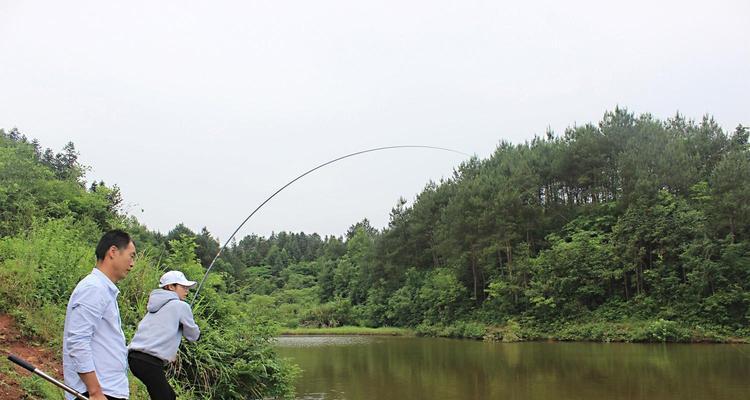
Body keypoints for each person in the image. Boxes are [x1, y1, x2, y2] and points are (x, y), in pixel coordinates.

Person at [63, 229, 136, 400]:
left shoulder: (103, 289)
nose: (132, 263)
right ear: (113, 252)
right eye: (131, 256)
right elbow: (78, 341)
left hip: (107, 390)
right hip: (97, 393)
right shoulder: (93, 288)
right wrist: (95, 391)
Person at [128, 270, 200, 400]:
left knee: (169, 396)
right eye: (183, 287)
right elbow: (193, 336)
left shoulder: (154, 306)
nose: (187, 291)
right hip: (149, 361)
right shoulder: (181, 306)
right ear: (170, 287)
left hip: (133, 358)